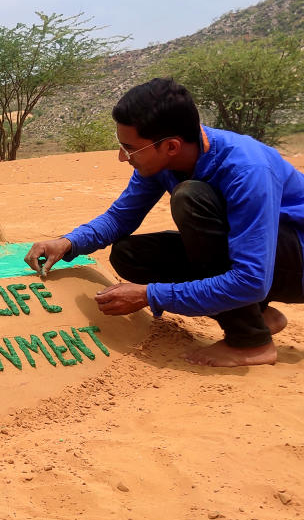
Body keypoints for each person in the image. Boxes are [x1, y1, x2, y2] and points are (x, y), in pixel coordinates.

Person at [25, 78, 304, 367]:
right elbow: (121, 217)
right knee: (130, 255)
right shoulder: (162, 162)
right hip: (251, 257)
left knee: (191, 198)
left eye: (130, 148)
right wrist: (68, 242)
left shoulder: (247, 169)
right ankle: (257, 315)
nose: (123, 157)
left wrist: (150, 295)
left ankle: (251, 343)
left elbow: (252, 280)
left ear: (170, 146)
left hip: (293, 263)